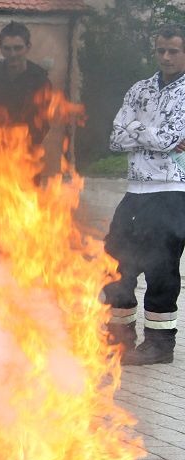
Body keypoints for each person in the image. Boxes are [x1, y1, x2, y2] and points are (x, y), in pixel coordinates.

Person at [103, 23, 185, 366]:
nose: (165, 56)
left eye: (173, 51)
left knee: (161, 268)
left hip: (171, 192)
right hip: (135, 191)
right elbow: (114, 138)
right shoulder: (140, 89)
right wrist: (147, 133)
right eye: (160, 50)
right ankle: (119, 337)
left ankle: (159, 344)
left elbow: (169, 138)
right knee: (115, 262)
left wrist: (134, 129)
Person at [0, 22, 52, 231]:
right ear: (1, 48)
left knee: (21, 227)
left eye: (18, 48)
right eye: (7, 48)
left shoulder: (40, 80)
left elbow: (43, 124)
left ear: (28, 47)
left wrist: (18, 141)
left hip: (25, 163)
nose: (12, 54)